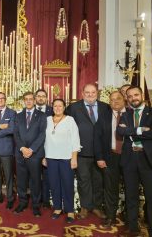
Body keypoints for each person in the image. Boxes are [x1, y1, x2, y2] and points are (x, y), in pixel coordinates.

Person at [117, 85, 152, 236]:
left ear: (141, 95)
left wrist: (130, 132)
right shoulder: (125, 115)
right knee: (131, 196)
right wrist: (141, 130)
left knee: (151, 198)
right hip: (130, 160)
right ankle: (133, 228)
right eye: (129, 96)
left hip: (148, 160)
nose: (133, 98)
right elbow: (120, 131)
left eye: (135, 95)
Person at [66, 83, 109, 219]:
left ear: (97, 93)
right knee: (83, 180)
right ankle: (85, 207)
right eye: (87, 92)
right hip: (81, 152)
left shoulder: (105, 107)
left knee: (98, 181)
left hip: (101, 153)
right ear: (82, 93)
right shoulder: (73, 108)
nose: (90, 95)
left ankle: (96, 207)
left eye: (93, 92)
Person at [94, 91, 126, 228]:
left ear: (124, 99)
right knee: (110, 188)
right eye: (112, 100)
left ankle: (131, 218)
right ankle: (110, 217)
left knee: (131, 187)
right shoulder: (104, 116)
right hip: (110, 156)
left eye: (118, 98)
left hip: (129, 157)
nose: (115, 101)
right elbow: (97, 138)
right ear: (109, 102)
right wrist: (100, 157)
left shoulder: (132, 114)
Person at [44, 99, 80, 223]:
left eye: (60, 106)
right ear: (52, 107)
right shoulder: (47, 120)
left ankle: (70, 210)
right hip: (51, 157)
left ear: (64, 107)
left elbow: (75, 139)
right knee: (54, 184)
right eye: (55, 106)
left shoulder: (70, 120)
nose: (58, 108)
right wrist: (44, 156)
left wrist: (74, 157)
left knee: (67, 184)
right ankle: (58, 208)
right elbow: (43, 140)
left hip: (66, 158)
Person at [13, 92, 47, 217]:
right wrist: (22, 148)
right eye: (26, 99)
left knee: (36, 181)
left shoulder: (42, 116)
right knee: (21, 180)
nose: (28, 101)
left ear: (34, 101)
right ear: (23, 101)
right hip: (21, 154)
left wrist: (31, 149)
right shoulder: (18, 115)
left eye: (30, 99)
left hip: (35, 154)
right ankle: (22, 202)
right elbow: (15, 134)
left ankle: (36, 206)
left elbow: (42, 134)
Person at [35, 89, 53, 209]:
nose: (41, 98)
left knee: (46, 175)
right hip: (35, 148)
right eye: (39, 96)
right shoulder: (31, 110)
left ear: (46, 98)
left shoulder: (52, 110)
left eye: (43, 96)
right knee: (35, 175)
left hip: (49, 147)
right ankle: (36, 199)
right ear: (35, 98)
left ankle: (46, 200)